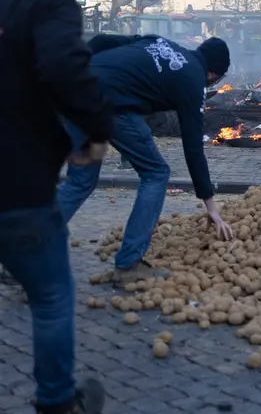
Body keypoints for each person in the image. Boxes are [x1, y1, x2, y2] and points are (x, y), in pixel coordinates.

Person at [0, 0, 112, 413]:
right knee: (49, 297)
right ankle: (57, 404)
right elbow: (64, 67)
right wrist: (95, 133)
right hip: (14, 181)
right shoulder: (46, 4)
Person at [57, 34, 235, 284]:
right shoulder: (194, 81)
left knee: (80, 181)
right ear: (213, 75)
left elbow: (102, 40)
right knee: (156, 173)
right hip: (108, 109)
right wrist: (211, 206)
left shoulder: (160, 41)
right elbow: (193, 147)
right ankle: (128, 265)